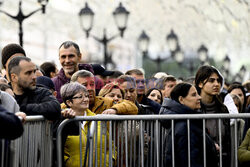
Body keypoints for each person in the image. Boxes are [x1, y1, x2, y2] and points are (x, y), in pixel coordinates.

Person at [160, 82, 218, 167]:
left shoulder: (186, 122)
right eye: (194, 95)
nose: (199, 97)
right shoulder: (185, 126)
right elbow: (190, 160)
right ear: (181, 100)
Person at [60, 82, 115, 167]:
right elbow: (60, 150)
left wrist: (110, 160)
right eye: (80, 97)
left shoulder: (97, 119)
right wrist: (68, 162)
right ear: (69, 102)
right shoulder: (64, 122)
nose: (86, 99)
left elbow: (110, 145)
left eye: (86, 96)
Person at [194, 65, 231, 167]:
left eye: (218, 81)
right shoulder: (194, 109)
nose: (216, 84)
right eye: (211, 81)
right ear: (200, 84)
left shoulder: (223, 109)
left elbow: (227, 141)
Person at [8, 56, 61, 120]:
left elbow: (55, 107)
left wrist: (22, 108)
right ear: (14, 77)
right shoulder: (4, 94)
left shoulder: (42, 93)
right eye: (28, 73)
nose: (34, 77)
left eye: (34, 72)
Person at [67, 70, 138, 115]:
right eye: (84, 85)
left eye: (92, 84)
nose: (90, 88)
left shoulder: (106, 102)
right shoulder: (66, 106)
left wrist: (114, 109)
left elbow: (132, 106)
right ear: (73, 88)